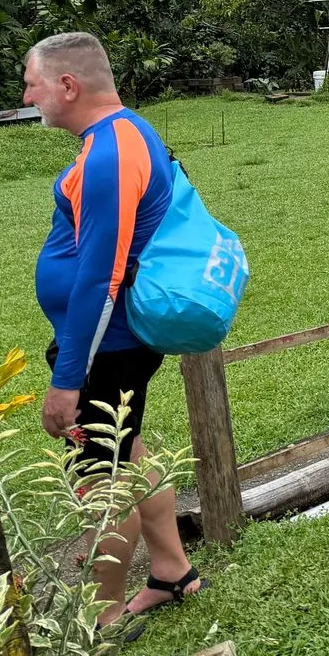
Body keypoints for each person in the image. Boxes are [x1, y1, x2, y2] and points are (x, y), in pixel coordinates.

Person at [21, 32, 202, 625]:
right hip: (113, 341)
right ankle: (173, 572)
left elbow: (102, 278)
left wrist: (67, 381)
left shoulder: (109, 155)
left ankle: (100, 620)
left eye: (32, 83)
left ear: (67, 86)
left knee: (102, 479)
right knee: (128, 453)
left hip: (109, 345)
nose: (27, 95)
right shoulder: (118, 135)